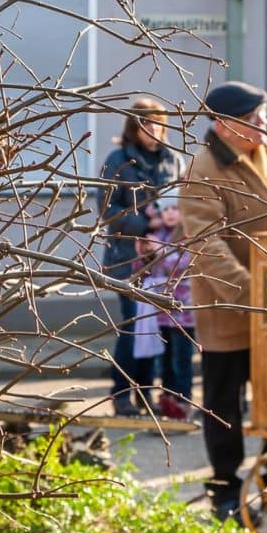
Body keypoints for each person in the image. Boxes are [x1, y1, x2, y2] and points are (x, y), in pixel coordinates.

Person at [179, 81, 267, 522]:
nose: (264, 124)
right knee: (224, 404)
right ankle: (225, 491)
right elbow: (205, 244)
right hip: (229, 310)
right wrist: (253, 293)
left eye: (263, 115)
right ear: (224, 125)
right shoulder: (203, 168)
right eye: (254, 119)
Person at [99, 99, 183, 416]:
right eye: (145, 124)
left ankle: (146, 394)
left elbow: (184, 203)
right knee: (134, 326)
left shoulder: (173, 160)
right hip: (127, 259)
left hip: (165, 259)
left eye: (157, 124)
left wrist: (170, 224)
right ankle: (121, 393)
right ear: (133, 128)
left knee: (155, 330)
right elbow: (108, 210)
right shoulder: (118, 160)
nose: (153, 130)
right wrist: (145, 224)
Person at [132, 192, 197, 422]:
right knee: (165, 361)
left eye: (175, 208)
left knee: (181, 360)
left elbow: (184, 266)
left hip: (183, 312)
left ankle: (183, 401)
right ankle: (168, 401)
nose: (170, 214)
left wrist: (162, 252)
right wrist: (143, 255)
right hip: (161, 313)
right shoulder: (157, 235)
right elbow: (142, 271)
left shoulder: (188, 236)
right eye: (166, 209)